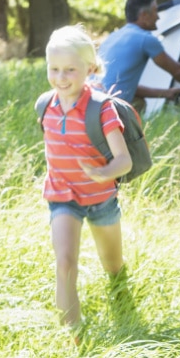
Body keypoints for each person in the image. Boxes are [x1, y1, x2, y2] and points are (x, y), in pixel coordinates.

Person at [40, 25, 134, 336]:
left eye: (70, 69)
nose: (61, 77)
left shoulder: (100, 108)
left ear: (89, 69)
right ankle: (74, 338)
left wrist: (103, 173)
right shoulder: (45, 106)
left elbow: (124, 160)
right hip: (63, 198)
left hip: (101, 201)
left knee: (114, 267)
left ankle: (123, 307)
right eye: (54, 69)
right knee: (65, 262)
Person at [98, 0, 180, 108]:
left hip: (93, 102)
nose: (158, 16)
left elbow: (124, 86)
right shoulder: (145, 39)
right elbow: (177, 71)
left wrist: (167, 93)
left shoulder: (113, 36)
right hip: (109, 107)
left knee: (138, 101)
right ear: (144, 15)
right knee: (139, 104)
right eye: (155, 11)